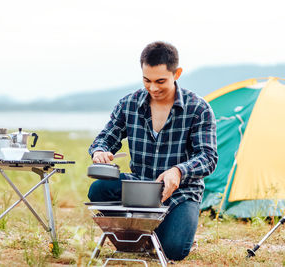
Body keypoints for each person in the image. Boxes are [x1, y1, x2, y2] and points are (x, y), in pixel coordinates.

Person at [87, 41, 218, 261]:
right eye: (147, 80)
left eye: (160, 81)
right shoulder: (128, 104)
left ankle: (164, 231)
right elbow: (105, 138)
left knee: (174, 251)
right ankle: (137, 234)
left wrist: (178, 171)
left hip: (181, 193)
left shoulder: (198, 108)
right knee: (99, 189)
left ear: (177, 73)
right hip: (139, 186)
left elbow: (208, 157)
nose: (153, 88)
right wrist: (100, 151)